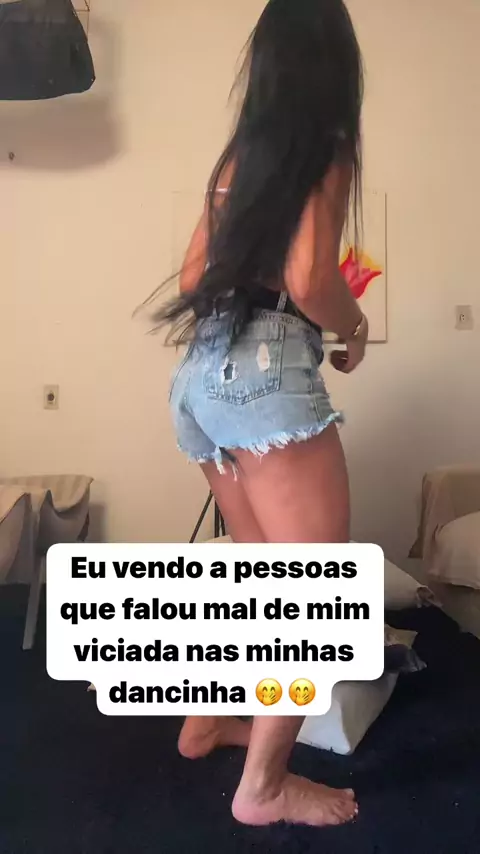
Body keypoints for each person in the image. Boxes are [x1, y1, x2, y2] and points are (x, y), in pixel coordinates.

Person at [149, 0, 368, 830]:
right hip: (266, 378)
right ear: (336, 66)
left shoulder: (240, 156)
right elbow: (311, 279)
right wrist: (353, 327)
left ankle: (206, 722)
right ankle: (264, 787)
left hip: (199, 381)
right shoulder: (327, 146)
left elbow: (190, 281)